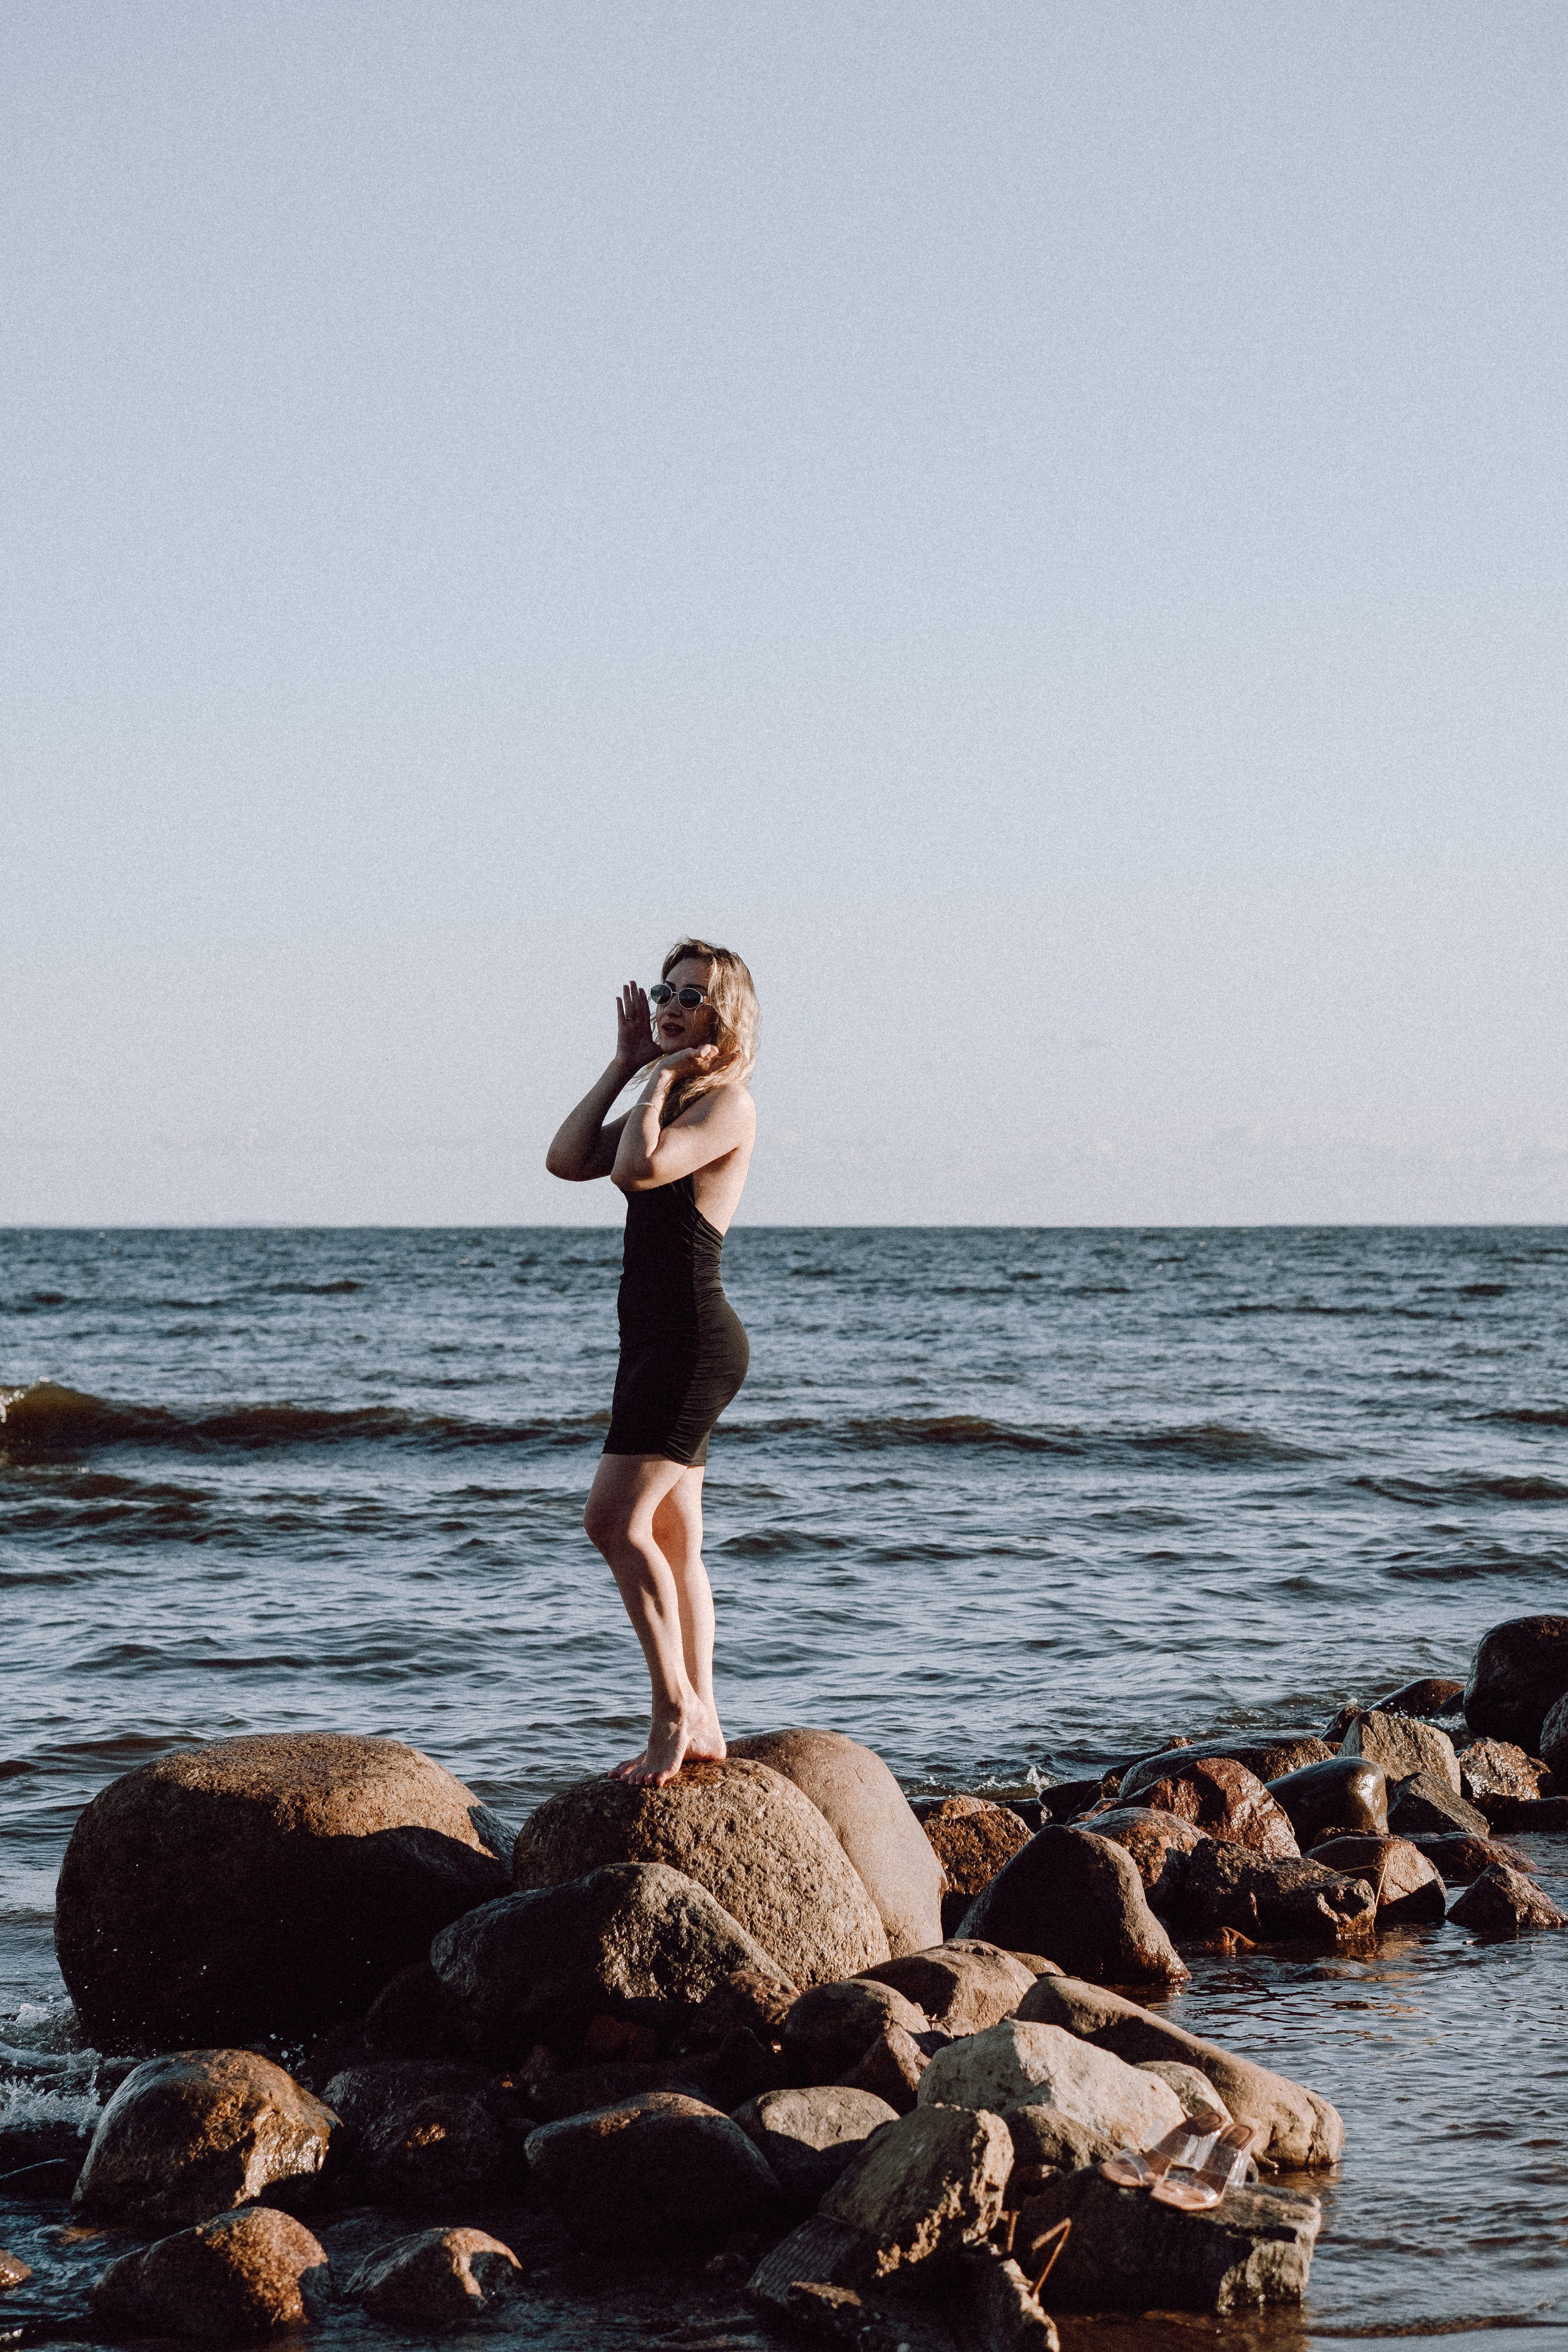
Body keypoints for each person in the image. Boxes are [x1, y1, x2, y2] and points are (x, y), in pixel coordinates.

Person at [546, 939, 758, 1786]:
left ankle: (673, 1710)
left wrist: (661, 1077)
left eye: (692, 997)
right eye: (667, 991)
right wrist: (625, 1064)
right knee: (672, 1536)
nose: (671, 1005)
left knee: (612, 1523)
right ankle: (704, 1716)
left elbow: (637, 1172)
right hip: (656, 1340)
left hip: (689, 1340)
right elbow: (568, 1160)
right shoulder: (667, 1096)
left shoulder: (725, 1105)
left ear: (725, 1018)